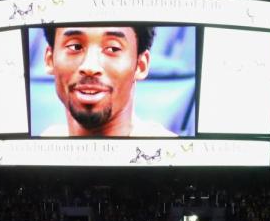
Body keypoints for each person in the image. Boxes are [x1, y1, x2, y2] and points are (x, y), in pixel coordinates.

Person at [41, 25, 177, 137]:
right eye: (75, 46)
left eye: (113, 49)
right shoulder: (43, 149)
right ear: (49, 59)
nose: (90, 67)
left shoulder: (170, 153)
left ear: (141, 65)